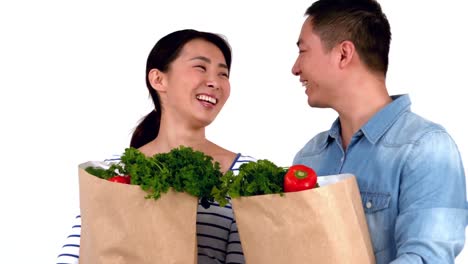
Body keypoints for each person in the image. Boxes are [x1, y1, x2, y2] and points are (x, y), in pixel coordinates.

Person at [56, 29, 255, 264]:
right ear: (158, 79)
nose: (214, 82)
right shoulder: (115, 172)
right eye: (201, 68)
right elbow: (76, 256)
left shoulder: (244, 175)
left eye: (223, 74)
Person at [291, 0, 468, 263]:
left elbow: (427, 258)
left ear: (343, 54)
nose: (295, 68)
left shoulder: (426, 148)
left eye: (303, 51)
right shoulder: (310, 157)